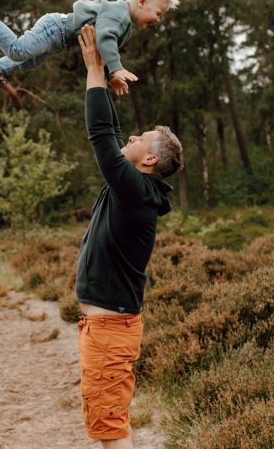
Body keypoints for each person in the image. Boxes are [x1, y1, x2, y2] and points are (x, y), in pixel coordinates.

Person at [74, 24, 183, 448]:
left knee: (112, 432)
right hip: (104, 325)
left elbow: (103, 136)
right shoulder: (137, 187)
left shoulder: (136, 191)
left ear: (151, 158)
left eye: (143, 139)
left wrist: (93, 71)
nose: (132, 136)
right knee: (107, 424)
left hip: (109, 329)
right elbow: (116, 138)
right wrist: (105, 74)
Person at [0, 0, 178, 95]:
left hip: (59, 39)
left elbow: (104, 47)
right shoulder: (119, 14)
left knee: (28, 62)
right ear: (141, 2)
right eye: (158, 13)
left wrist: (111, 75)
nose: (158, 19)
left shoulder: (124, 25)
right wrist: (117, 68)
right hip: (55, 28)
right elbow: (105, 38)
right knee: (19, 50)